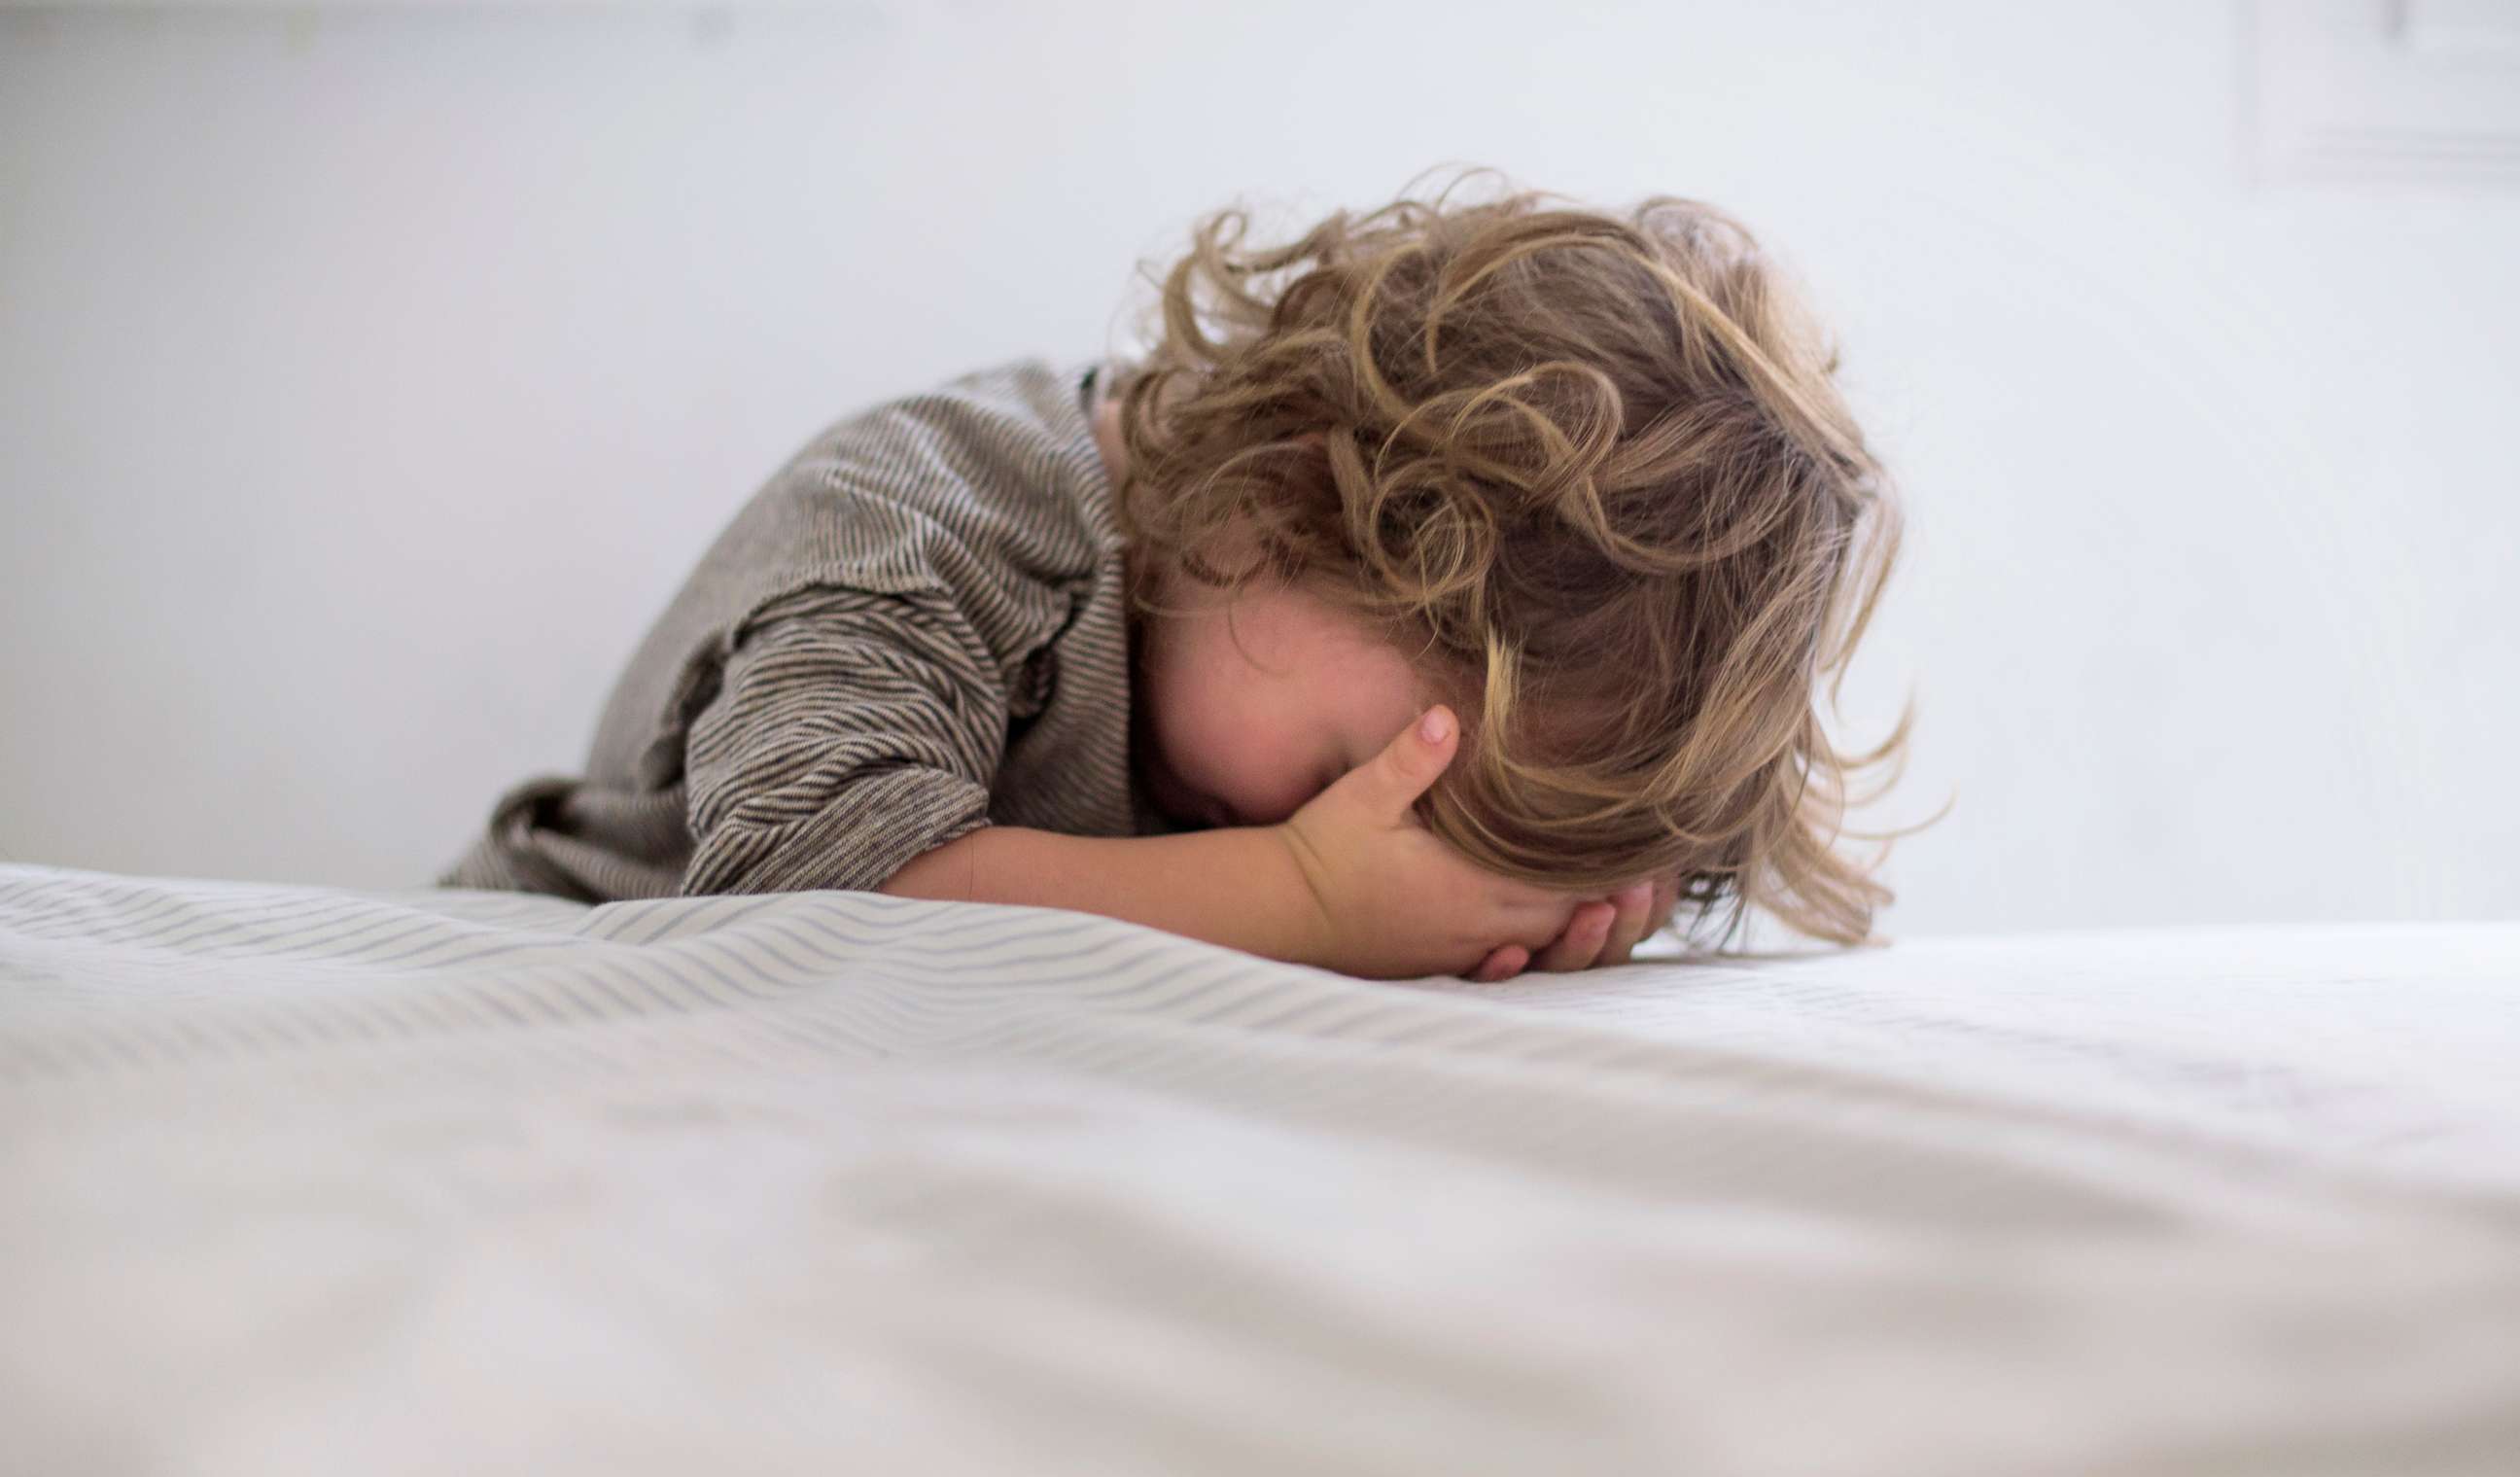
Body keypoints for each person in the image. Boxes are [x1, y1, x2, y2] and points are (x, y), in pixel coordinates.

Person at [438, 165, 1932, 983]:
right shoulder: (940, 511)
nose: (1352, 832)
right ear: (1280, 485)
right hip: (531, 965)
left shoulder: (1264, 662)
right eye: (1367, 772)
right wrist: (1301, 898)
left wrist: (1540, 896)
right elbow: (797, 894)